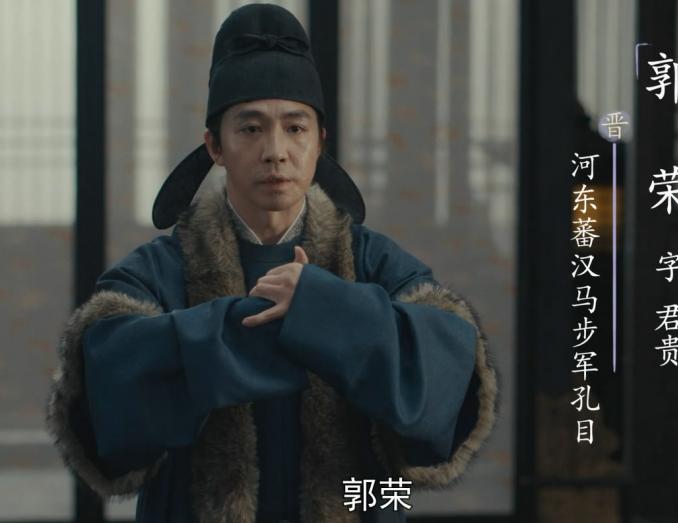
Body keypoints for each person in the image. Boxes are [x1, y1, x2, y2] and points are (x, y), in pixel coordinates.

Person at [45, 4, 497, 521]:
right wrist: (259, 325)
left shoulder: (374, 261)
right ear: (215, 146)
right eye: (251, 129)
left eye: (295, 128)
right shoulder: (158, 271)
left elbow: (445, 377)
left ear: (319, 141)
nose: (275, 151)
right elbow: (110, 387)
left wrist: (328, 310)